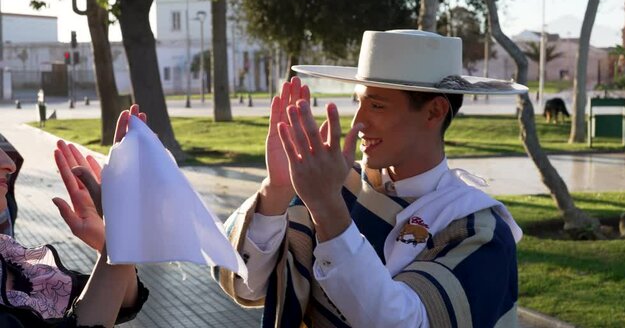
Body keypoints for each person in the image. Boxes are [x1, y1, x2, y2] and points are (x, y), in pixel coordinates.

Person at [216, 30, 526, 327]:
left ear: (434, 112)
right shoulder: (336, 184)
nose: (358, 122)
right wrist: (279, 188)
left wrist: (328, 209)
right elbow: (247, 286)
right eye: (358, 101)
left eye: (377, 105)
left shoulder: (478, 230)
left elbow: (407, 322)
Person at [0, 105, 149, 327]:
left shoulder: (7, 254)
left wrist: (108, 242)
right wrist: (119, 235)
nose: (10, 164)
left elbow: (119, 301)